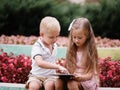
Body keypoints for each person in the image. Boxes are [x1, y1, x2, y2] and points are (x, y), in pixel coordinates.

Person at [55, 17, 99, 90]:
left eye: (79, 38)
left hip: (86, 80)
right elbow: (67, 68)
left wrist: (81, 77)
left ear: (87, 35)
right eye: (74, 37)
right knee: (58, 81)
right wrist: (62, 71)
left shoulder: (90, 50)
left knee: (71, 84)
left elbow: (91, 74)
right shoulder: (72, 49)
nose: (76, 40)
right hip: (73, 78)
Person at [25, 16, 68, 90]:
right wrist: (57, 66)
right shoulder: (37, 46)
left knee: (50, 86)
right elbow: (40, 63)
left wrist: (59, 70)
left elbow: (51, 61)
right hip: (36, 76)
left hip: (50, 76)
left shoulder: (54, 45)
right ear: (42, 34)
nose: (55, 40)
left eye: (57, 36)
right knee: (33, 87)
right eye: (51, 37)